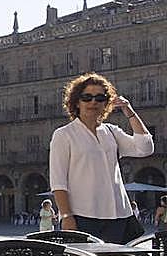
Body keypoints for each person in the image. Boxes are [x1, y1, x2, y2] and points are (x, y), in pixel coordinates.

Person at [49, 73, 153, 243]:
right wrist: (67, 216)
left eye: (99, 98)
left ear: (106, 103)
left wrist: (129, 111)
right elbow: (58, 182)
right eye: (87, 97)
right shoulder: (64, 135)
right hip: (83, 215)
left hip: (119, 214)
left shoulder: (112, 132)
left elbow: (145, 148)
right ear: (76, 101)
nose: (93, 102)